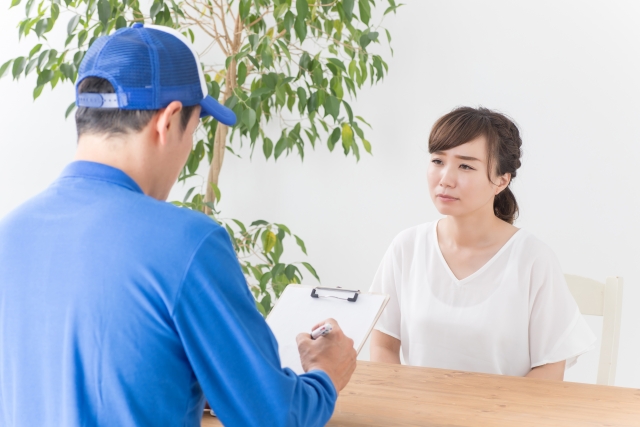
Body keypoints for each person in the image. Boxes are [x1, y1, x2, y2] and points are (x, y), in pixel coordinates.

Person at [0, 24, 356, 427]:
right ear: (169, 121)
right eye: (195, 128)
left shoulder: (9, 233)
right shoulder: (187, 242)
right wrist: (326, 374)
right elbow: (274, 417)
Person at [369, 107, 596, 380]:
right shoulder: (407, 247)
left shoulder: (533, 258)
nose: (445, 179)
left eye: (465, 165)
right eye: (438, 161)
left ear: (501, 180)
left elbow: (550, 366)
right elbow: (383, 344)